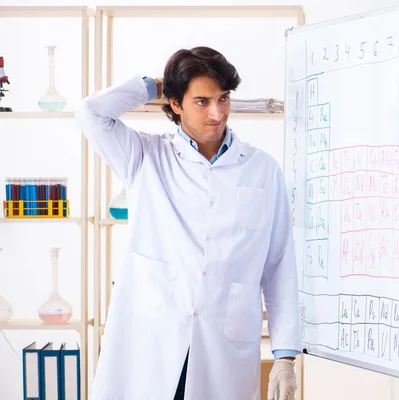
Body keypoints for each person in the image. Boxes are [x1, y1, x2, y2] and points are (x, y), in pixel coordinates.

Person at [75, 46, 301, 400]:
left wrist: (285, 355)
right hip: (151, 348)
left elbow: (278, 265)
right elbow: (90, 113)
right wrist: (154, 85)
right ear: (175, 104)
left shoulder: (262, 169)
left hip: (222, 353)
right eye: (201, 101)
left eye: (223, 98)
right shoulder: (145, 157)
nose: (217, 113)